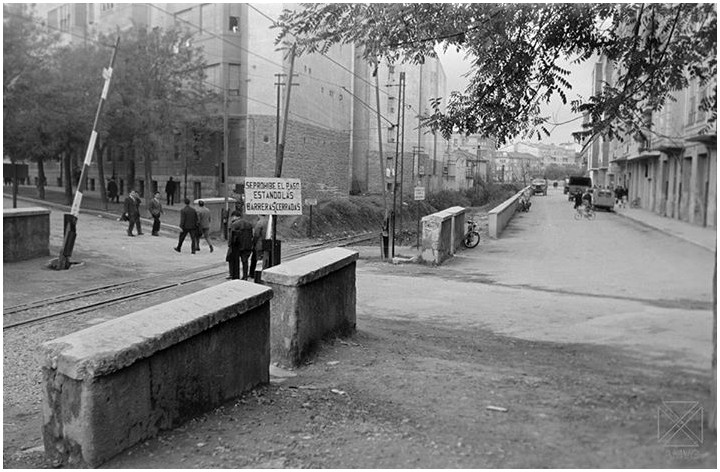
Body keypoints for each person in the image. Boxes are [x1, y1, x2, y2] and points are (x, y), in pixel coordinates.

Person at [226, 211, 254, 280]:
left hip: (236, 246)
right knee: (245, 261)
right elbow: (251, 235)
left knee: (234, 261)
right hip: (247, 245)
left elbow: (231, 236)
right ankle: (245, 276)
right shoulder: (249, 224)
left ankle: (234, 275)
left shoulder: (234, 224)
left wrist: (229, 245)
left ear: (235, 216)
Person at [250, 215, 268, 280]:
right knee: (266, 258)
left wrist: (253, 243)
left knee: (254, 259)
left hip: (259, 243)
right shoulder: (268, 221)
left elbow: (256, 235)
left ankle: (252, 274)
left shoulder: (259, 223)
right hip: (268, 242)